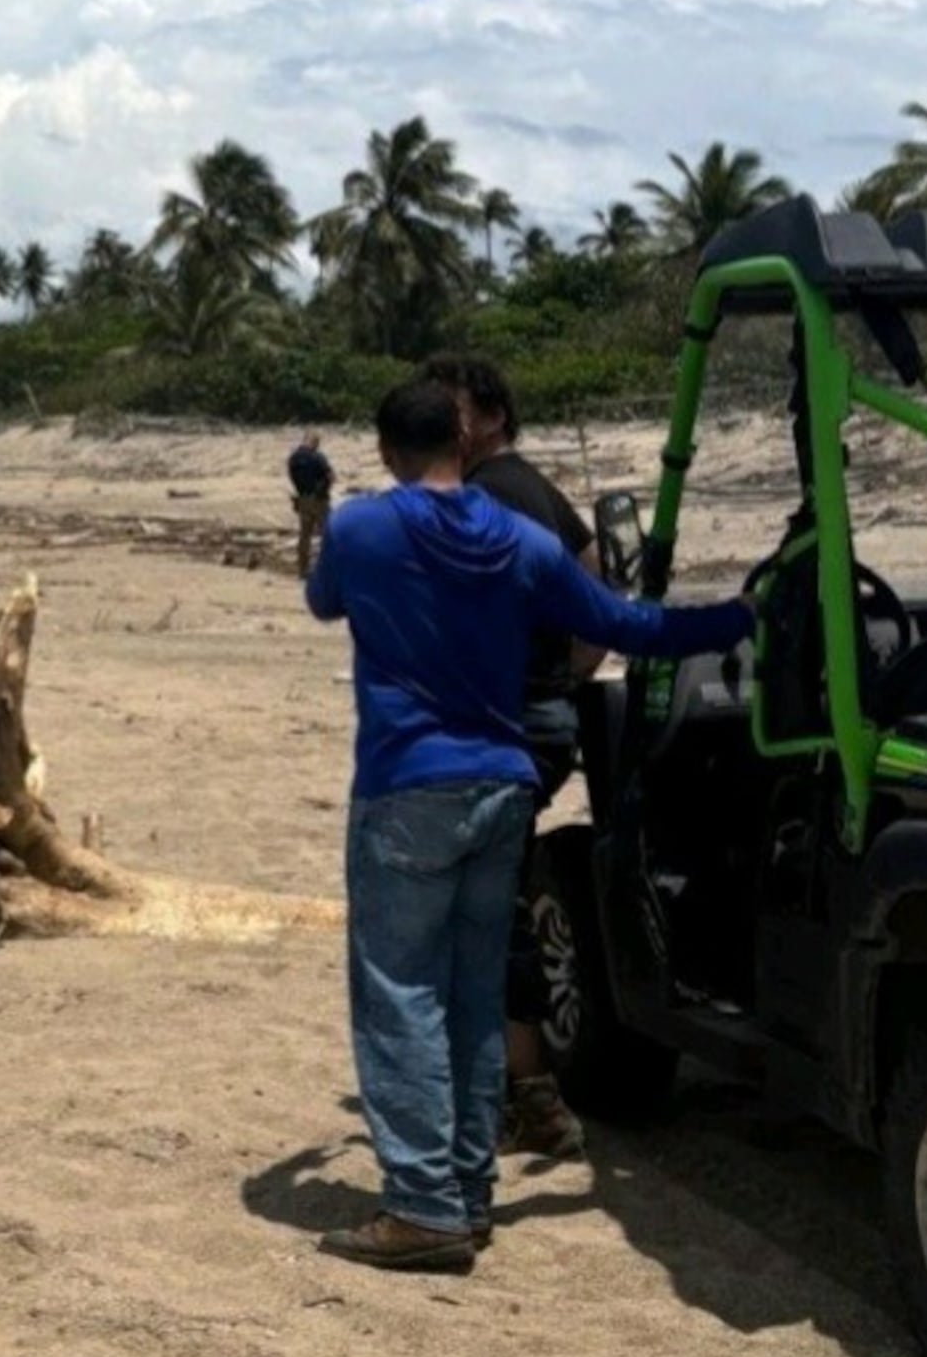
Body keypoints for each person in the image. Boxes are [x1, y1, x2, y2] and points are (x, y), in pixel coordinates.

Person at [304, 378, 752, 1272]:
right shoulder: (519, 539)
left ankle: (424, 1205)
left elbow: (322, 600)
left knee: (398, 994)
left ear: (391, 449)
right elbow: (628, 625)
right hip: (504, 783)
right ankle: (467, 1195)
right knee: (474, 999)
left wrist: (313, 505)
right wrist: (744, 614)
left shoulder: (362, 527)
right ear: (461, 445)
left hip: (406, 788)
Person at [424, 350, 599, 1161]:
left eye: (451, 409)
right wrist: (563, 679)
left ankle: (520, 1098)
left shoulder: (479, 499)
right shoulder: (533, 490)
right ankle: (523, 1092)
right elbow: (598, 575)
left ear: (491, 415)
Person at [286, 431, 334, 580]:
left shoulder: (293, 458)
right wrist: (323, 490)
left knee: (304, 535)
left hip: (302, 498)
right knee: (327, 535)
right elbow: (330, 476)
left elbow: (292, 476)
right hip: (319, 500)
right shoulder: (317, 457)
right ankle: (327, 570)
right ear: (313, 442)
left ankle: (302, 570)